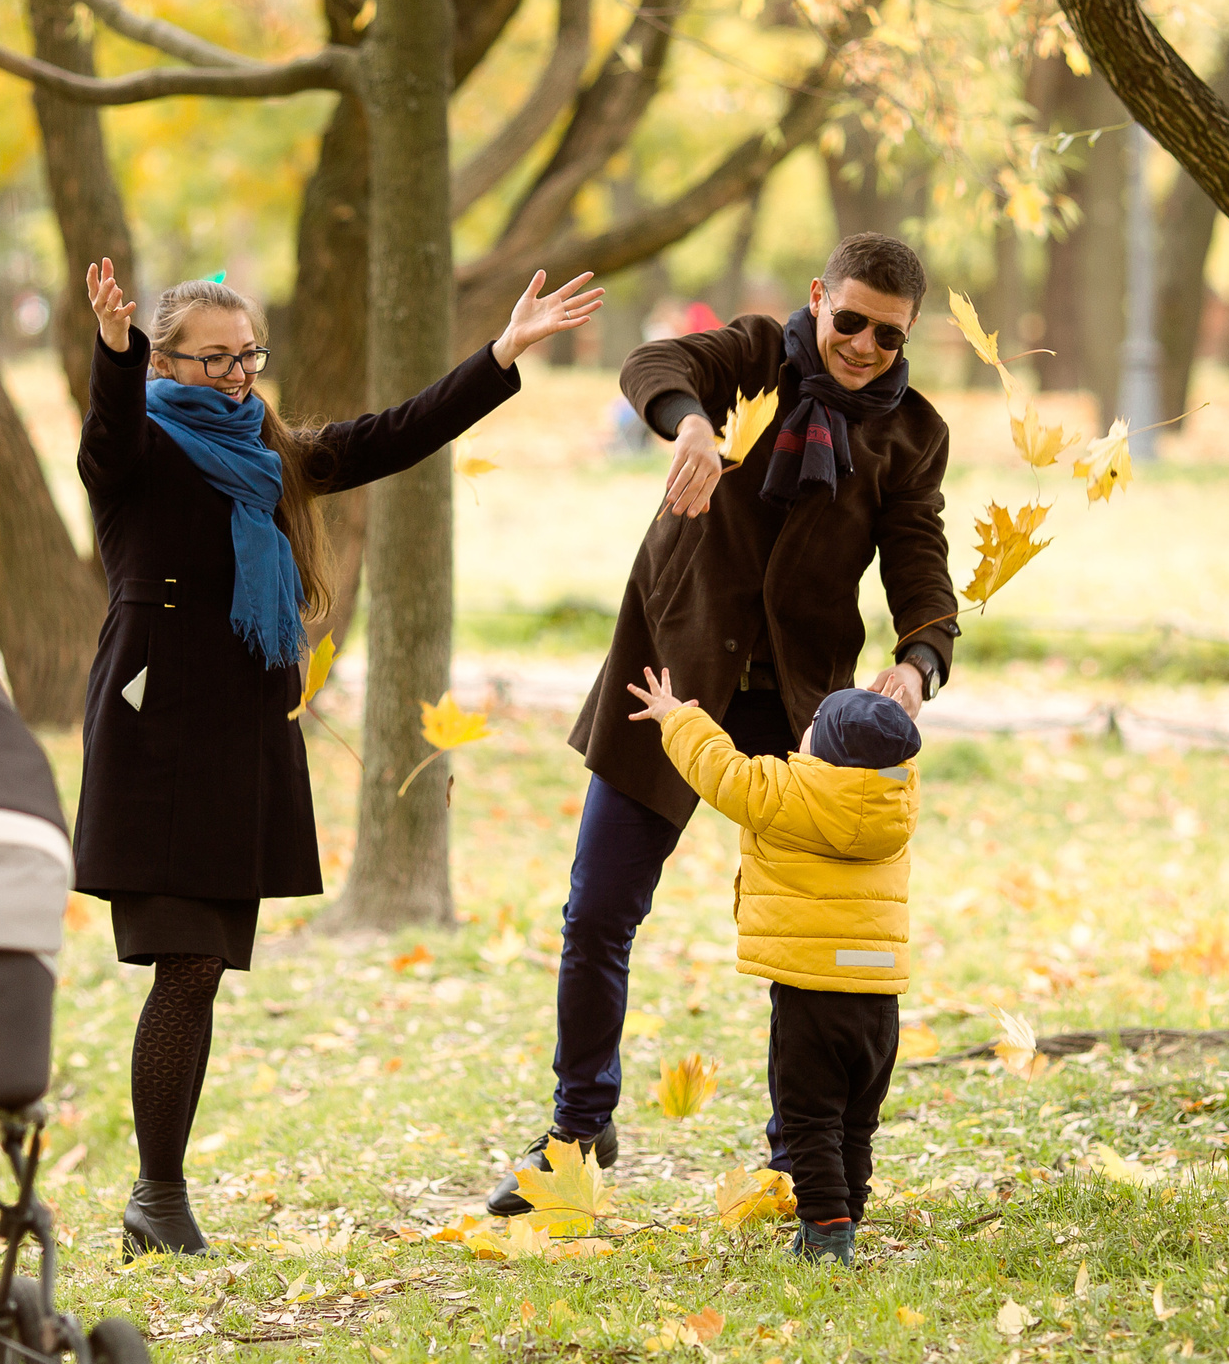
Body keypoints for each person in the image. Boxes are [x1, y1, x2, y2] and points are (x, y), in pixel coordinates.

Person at [78, 259, 602, 1258]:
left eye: (249, 356)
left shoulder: (270, 452)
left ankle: (159, 1196)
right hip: (153, 735)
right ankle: (158, 1194)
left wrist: (500, 354)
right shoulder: (139, 446)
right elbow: (106, 434)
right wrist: (113, 354)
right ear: (167, 359)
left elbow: (391, 435)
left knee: (203, 968)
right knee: (182, 963)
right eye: (215, 358)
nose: (238, 376)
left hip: (238, 734)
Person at [489, 231, 957, 1214]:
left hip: (803, 706)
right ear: (818, 296)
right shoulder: (752, 360)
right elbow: (651, 364)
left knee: (811, 938)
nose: (864, 345)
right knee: (598, 910)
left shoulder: (910, 432)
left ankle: (801, 1149)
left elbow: (919, 561)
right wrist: (691, 427)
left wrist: (919, 661)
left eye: (887, 333)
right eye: (848, 322)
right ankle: (579, 1128)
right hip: (674, 678)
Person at [626, 667, 919, 1264]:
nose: (802, 733)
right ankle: (843, 1216)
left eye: (813, 726)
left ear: (826, 753)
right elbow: (884, 756)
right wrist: (882, 719)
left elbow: (720, 770)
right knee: (856, 1121)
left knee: (808, 1119)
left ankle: (825, 1230)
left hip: (811, 994)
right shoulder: (896, 801)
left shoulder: (785, 791)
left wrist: (675, 716)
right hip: (879, 998)